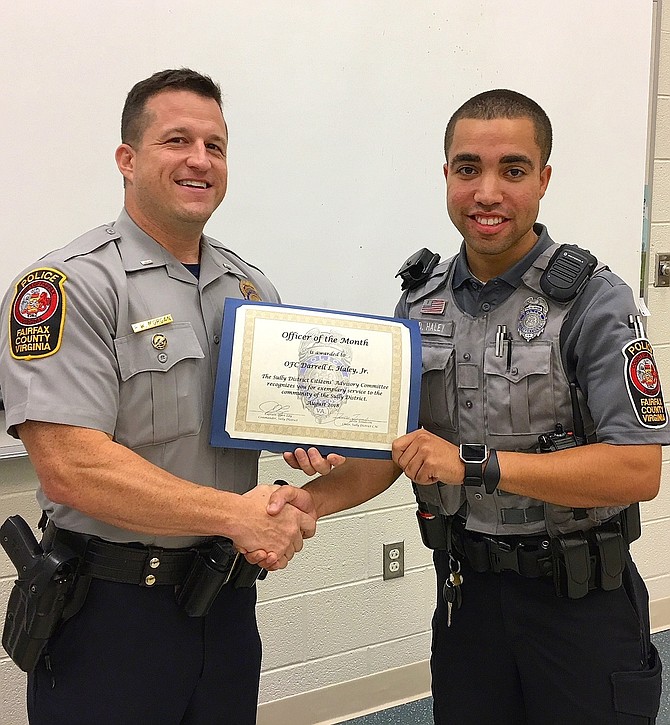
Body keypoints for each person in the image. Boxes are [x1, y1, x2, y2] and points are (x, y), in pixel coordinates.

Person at [260, 89, 669, 724]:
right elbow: (399, 453)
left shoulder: (596, 301)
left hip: (579, 603)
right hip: (465, 596)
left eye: (513, 169)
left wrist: (474, 464)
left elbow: (636, 470)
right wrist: (308, 500)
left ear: (544, 180)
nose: (487, 192)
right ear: (446, 174)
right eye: (468, 168)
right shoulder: (419, 304)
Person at [0, 68, 316, 725]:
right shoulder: (67, 286)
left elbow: (270, 423)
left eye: (215, 145)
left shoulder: (252, 290)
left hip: (226, 603)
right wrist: (238, 513)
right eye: (177, 140)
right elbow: (73, 465)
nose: (200, 159)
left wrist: (315, 438)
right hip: (111, 616)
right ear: (127, 158)